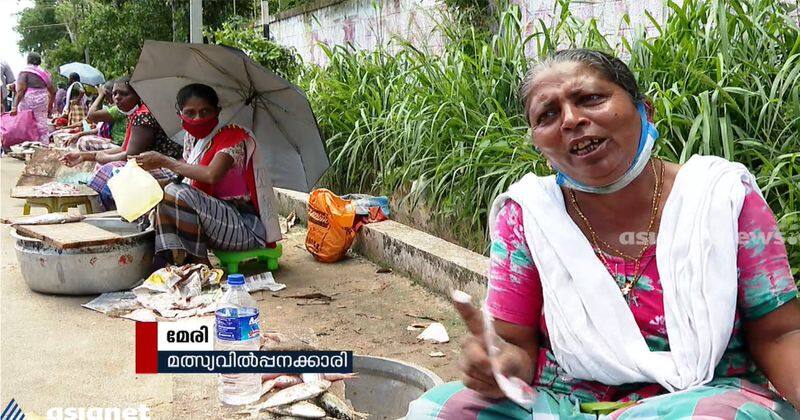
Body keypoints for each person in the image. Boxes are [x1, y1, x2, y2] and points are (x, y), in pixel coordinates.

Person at [407, 49, 800, 419]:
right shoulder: (529, 215)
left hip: (696, 400)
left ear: (645, 109)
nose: (570, 120)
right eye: (547, 115)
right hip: (562, 402)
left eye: (591, 99)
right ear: (538, 143)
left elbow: (780, 332)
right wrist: (499, 365)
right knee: (439, 409)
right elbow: (515, 344)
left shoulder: (721, 198)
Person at [133, 83, 281, 270]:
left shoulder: (232, 138)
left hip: (243, 228)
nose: (198, 118)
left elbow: (211, 175)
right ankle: (171, 259)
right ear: (180, 114)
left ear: (217, 112)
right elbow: (186, 178)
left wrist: (166, 161)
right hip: (213, 222)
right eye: (190, 113)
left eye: (205, 112)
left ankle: (200, 263)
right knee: (163, 192)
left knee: (175, 192)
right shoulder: (192, 139)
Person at [60, 76, 182, 209]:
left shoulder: (144, 116)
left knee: (112, 170)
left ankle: (108, 210)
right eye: (114, 94)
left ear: (138, 95)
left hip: (169, 168)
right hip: (151, 163)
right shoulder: (134, 114)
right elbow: (124, 148)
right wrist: (84, 156)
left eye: (124, 94)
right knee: (107, 167)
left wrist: (102, 158)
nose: (117, 98)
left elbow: (130, 156)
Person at [66, 80, 125, 151]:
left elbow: (91, 116)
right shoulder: (112, 109)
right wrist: (79, 134)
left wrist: (100, 95)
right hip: (115, 142)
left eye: (105, 96)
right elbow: (99, 129)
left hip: (119, 145)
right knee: (82, 139)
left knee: (84, 141)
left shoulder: (118, 109)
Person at [10, 52, 55, 143]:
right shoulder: (44, 73)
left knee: (26, 124)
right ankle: (43, 147)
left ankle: (28, 146)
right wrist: (50, 106)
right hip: (42, 100)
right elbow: (53, 91)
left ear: (28, 60)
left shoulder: (25, 72)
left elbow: (21, 91)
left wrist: (14, 107)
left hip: (28, 100)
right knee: (41, 124)